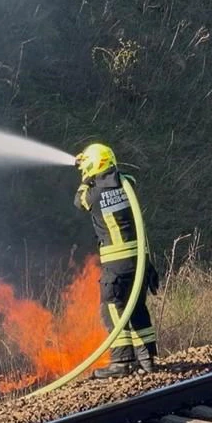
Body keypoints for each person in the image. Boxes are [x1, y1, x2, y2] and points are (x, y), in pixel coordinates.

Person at [74, 143, 159, 377]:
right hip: (140, 260)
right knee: (137, 307)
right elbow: (121, 179)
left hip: (117, 264)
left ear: (93, 164)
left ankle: (121, 362)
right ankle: (147, 359)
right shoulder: (126, 182)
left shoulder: (93, 193)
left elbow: (79, 201)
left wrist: (84, 178)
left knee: (111, 307)